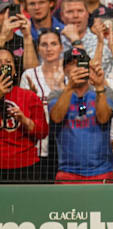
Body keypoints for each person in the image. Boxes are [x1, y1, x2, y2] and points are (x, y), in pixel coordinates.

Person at [49, 47, 113, 183]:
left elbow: (103, 118)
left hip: (102, 172)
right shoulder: (55, 95)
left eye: (80, 63)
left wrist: (99, 87)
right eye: (71, 64)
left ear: (88, 67)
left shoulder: (105, 92)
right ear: (64, 70)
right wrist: (69, 88)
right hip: (68, 173)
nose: (76, 68)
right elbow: (56, 117)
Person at [19, 29, 64, 179]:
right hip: (39, 143)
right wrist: (33, 99)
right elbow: (23, 110)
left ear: (61, 47)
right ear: (38, 48)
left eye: (53, 44)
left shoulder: (70, 74)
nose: (49, 48)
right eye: (44, 44)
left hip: (65, 138)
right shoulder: (29, 75)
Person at [0, 47, 49, 181]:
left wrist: (25, 120)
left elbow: (43, 132)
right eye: (0, 63)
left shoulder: (29, 96)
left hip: (25, 167)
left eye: (8, 63)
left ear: (15, 70)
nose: (4, 66)